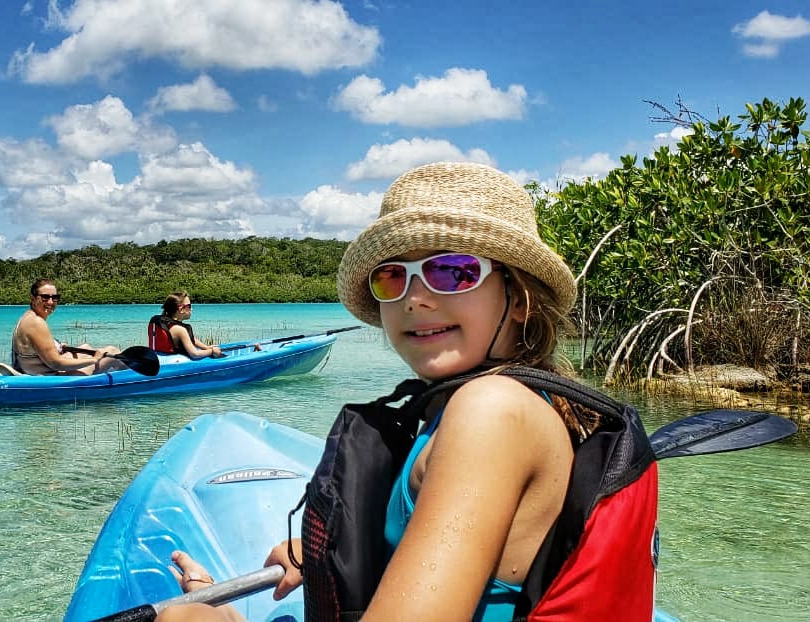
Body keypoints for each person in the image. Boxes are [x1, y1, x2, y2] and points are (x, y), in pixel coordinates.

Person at [160, 162, 658, 621]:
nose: (416, 297)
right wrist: (321, 556)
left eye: (453, 271)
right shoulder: (500, 403)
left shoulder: (492, 411)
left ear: (520, 297)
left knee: (182, 616)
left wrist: (216, 616)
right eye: (393, 276)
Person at [3, 278, 125, 376]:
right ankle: (134, 376)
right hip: (51, 377)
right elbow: (56, 363)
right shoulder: (37, 323)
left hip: (36, 370)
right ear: (33, 298)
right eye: (45, 297)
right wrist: (94, 360)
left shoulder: (27, 317)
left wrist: (57, 346)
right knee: (112, 351)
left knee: (85, 347)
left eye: (54, 298)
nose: (50, 302)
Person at [148, 291, 223, 359]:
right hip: (172, 362)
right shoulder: (179, 330)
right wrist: (212, 351)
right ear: (181, 309)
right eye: (189, 306)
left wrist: (205, 347)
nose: (191, 309)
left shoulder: (161, 322)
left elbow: (189, 338)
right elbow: (195, 354)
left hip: (155, 357)